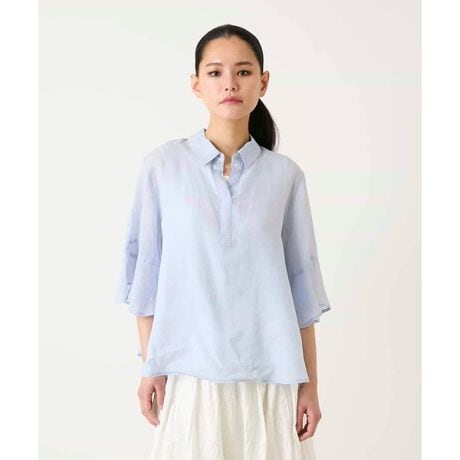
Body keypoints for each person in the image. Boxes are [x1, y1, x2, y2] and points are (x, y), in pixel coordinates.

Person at [114, 24, 332, 460]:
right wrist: (151, 365)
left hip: (271, 379)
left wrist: (310, 385)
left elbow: (301, 292)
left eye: (243, 72)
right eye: (215, 72)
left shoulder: (285, 177)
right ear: (196, 84)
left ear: (263, 82)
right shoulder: (163, 168)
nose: (229, 83)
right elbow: (146, 277)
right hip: (190, 377)